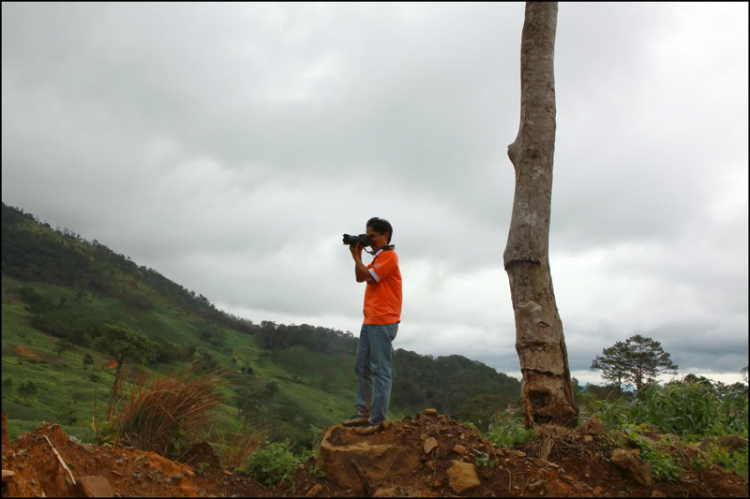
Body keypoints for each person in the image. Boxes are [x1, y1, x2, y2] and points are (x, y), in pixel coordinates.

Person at [342, 217, 402, 435]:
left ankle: (376, 420)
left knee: (381, 371)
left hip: (383, 321)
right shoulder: (378, 257)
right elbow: (361, 277)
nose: (370, 240)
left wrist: (357, 256)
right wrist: (356, 256)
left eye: (373, 236)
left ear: (385, 235)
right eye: (368, 236)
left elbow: (368, 276)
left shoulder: (388, 256)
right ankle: (364, 412)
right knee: (362, 367)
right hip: (370, 320)